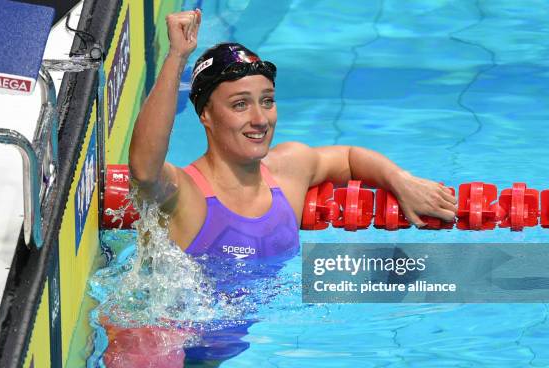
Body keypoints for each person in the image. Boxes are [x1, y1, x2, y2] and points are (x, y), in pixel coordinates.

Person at [128, 9, 458, 262]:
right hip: (165, 338)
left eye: (267, 101)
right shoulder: (184, 194)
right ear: (206, 115)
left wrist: (400, 180)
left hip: (232, 344)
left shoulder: (289, 170)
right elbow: (144, 170)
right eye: (240, 104)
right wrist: (177, 57)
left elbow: (348, 158)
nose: (260, 119)